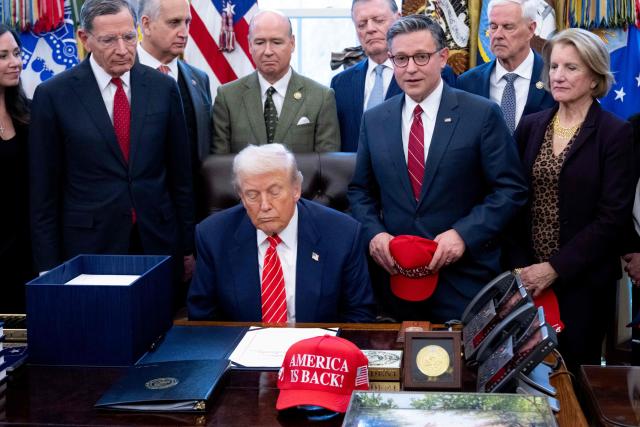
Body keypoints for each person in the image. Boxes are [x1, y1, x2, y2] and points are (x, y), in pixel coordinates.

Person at [347, 14, 527, 322]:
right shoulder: (374, 119)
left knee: (463, 369)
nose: (411, 68)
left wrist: (462, 234)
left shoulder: (481, 114)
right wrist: (374, 235)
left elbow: (510, 190)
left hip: (465, 280)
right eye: (401, 59)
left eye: (421, 56)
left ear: (443, 58)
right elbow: (360, 191)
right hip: (395, 281)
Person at [29, 0, 195, 286]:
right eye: (109, 40)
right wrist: (48, 267)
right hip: (89, 248)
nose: (122, 49)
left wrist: (188, 246)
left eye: (129, 37)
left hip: (157, 242)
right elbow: (43, 192)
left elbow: (181, 177)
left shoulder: (163, 87)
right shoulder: (54, 95)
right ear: (85, 39)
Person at [507, 28, 634, 371]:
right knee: (524, 374)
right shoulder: (531, 126)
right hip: (527, 278)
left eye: (571, 68)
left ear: (595, 77)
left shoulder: (616, 134)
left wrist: (554, 269)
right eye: (554, 66)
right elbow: (514, 200)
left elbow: (612, 218)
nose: (558, 76)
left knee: (574, 378)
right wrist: (523, 269)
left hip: (584, 286)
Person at [188, 143, 375, 322]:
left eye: (274, 192)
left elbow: (359, 316)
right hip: (241, 349)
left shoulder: (342, 233)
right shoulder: (213, 236)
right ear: (241, 197)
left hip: (316, 350)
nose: (265, 205)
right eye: (252, 195)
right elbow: (203, 319)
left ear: (296, 189)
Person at [331, 0, 457, 152]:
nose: (370, 29)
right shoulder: (341, 83)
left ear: (399, 18)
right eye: (362, 24)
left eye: (379, 20)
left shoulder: (436, 72)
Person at [211, 10, 340, 154]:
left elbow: (327, 167)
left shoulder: (321, 97)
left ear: (292, 43)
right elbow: (219, 167)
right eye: (260, 42)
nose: (268, 51)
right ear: (249, 45)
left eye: (276, 42)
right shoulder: (227, 97)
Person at [138, 0, 212, 221]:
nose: (184, 32)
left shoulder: (199, 78)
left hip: (194, 212)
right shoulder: (122, 76)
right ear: (146, 25)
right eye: (174, 23)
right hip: (142, 217)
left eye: (187, 22)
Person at [456, 0, 555, 132]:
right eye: (493, 26)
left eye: (508, 27)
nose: (497, 35)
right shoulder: (467, 83)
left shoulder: (554, 77)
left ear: (531, 29)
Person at [0, 25, 33, 313]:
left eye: (17, 53)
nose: (15, 62)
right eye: (3, 56)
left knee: (25, 340)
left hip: (28, 253)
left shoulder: (31, 112)